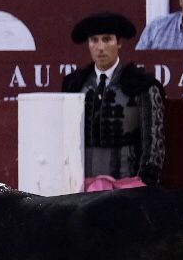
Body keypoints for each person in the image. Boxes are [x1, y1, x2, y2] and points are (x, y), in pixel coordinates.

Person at [61, 12, 164, 189]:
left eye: (107, 39)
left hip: (129, 185)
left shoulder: (142, 85)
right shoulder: (74, 85)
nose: (100, 47)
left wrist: (145, 184)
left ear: (119, 43)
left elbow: (154, 143)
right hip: (81, 187)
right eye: (94, 40)